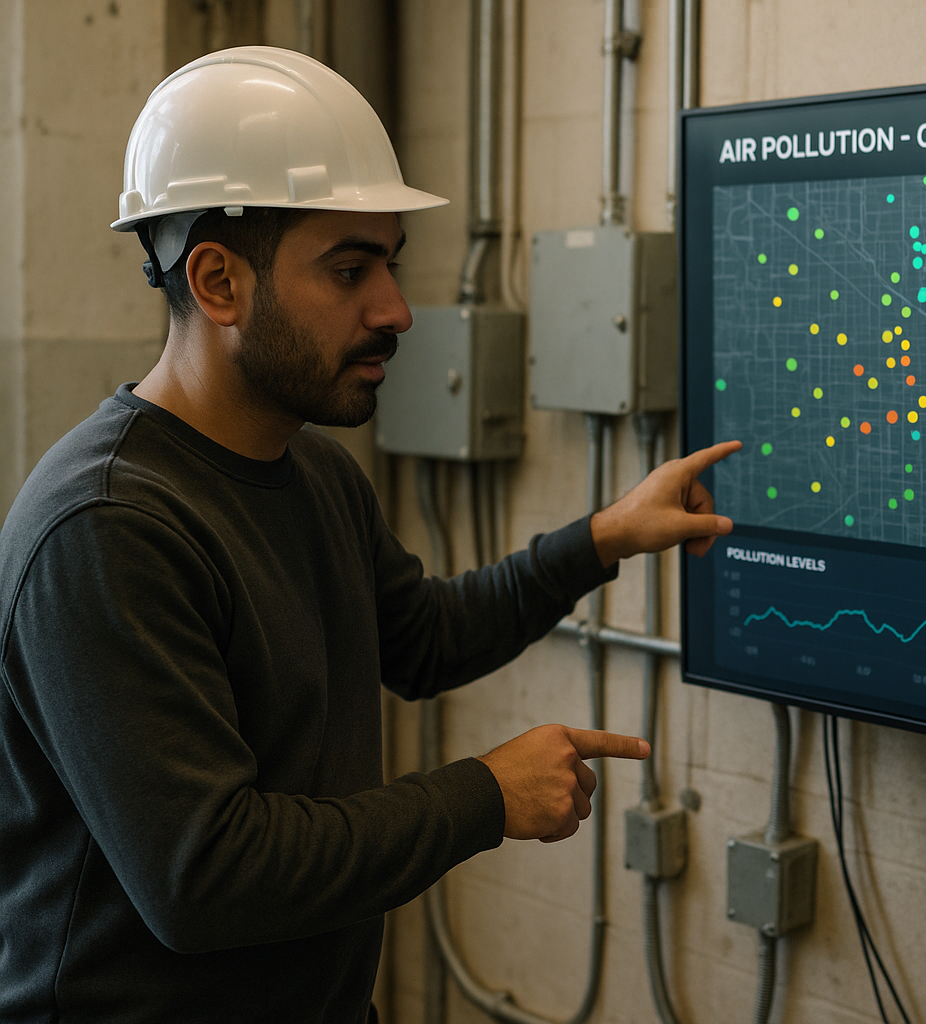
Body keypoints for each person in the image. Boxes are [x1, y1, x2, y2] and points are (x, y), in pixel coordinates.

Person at [0, 47, 738, 1023]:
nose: (394, 309)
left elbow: (420, 636)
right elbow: (204, 876)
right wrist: (482, 794)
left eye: (390, 261)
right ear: (218, 282)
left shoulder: (312, 471)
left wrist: (604, 535)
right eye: (350, 269)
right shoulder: (109, 526)